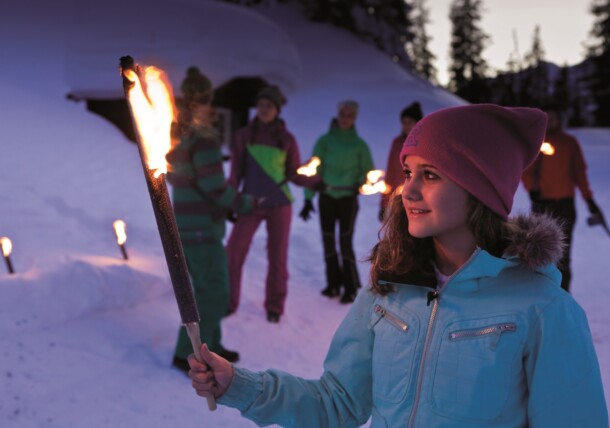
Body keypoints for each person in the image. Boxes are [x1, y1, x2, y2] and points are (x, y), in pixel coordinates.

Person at [187, 105, 608, 427]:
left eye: (430, 175)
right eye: (408, 172)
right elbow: (337, 402)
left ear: (480, 188)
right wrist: (239, 385)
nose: (406, 190)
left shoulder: (544, 309)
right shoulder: (388, 288)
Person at [165, 67, 257, 371]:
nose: (211, 106)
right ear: (196, 103)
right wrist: (243, 203)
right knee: (215, 293)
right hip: (202, 230)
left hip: (187, 227)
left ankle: (212, 347)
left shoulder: (179, 135)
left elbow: (183, 179)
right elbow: (214, 186)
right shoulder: (203, 139)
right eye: (206, 100)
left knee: (206, 289)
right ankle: (187, 354)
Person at [225, 84, 323, 323]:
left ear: (277, 110)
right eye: (260, 105)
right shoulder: (243, 136)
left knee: (277, 256)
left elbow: (294, 173)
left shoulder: (287, 139)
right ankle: (228, 301)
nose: (264, 109)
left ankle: (275, 306)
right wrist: (231, 200)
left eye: (269, 105)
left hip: (280, 205)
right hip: (250, 202)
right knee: (233, 252)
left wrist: (317, 182)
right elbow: (235, 173)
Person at [298, 100, 374, 304]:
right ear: (338, 115)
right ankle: (333, 284)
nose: (345, 119)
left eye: (350, 115)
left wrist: (361, 182)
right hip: (327, 197)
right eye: (343, 114)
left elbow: (368, 170)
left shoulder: (360, 145)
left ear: (355, 118)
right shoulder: (325, 141)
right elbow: (314, 169)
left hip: (348, 198)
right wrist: (308, 198)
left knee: (345, 241)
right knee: (328, 239)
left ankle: (349, 286)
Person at [522, 108, 602, 292]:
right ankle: (543, 290)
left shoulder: (569, 143)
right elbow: (525, 171)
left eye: (554, 118)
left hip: (565, 204)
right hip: (542, 205)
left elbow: (579, 173)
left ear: (560, 120)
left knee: (563, 252)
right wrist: (531, 189)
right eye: (547, 118)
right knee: (541, 251)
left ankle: (563, 293)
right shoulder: (537, 143)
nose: (551, 122)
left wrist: (588, 198)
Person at [379, 101, 423, 222]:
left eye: (410, 122)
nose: (406, 126)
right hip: (399, 199)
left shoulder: (425, 144)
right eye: (404, 122)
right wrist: (384, 204)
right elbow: (391, 173)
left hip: (418, 198)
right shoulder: (397, 143)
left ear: (418, 122)